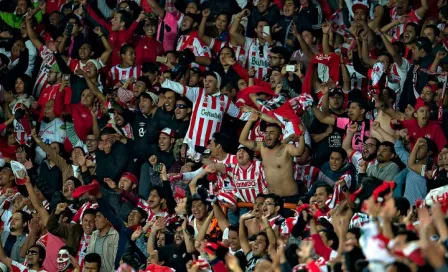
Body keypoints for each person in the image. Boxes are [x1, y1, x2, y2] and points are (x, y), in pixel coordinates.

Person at [239, 113, 305, 202]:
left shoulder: (287, 148)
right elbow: (242, 140)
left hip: (290, 197)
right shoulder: (262, 147)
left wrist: (301, 136)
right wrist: (250, 121)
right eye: (266, 133)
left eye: (271, 133)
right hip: (272, 199)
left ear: (279, 136)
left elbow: (299, 152)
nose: (267, 135)